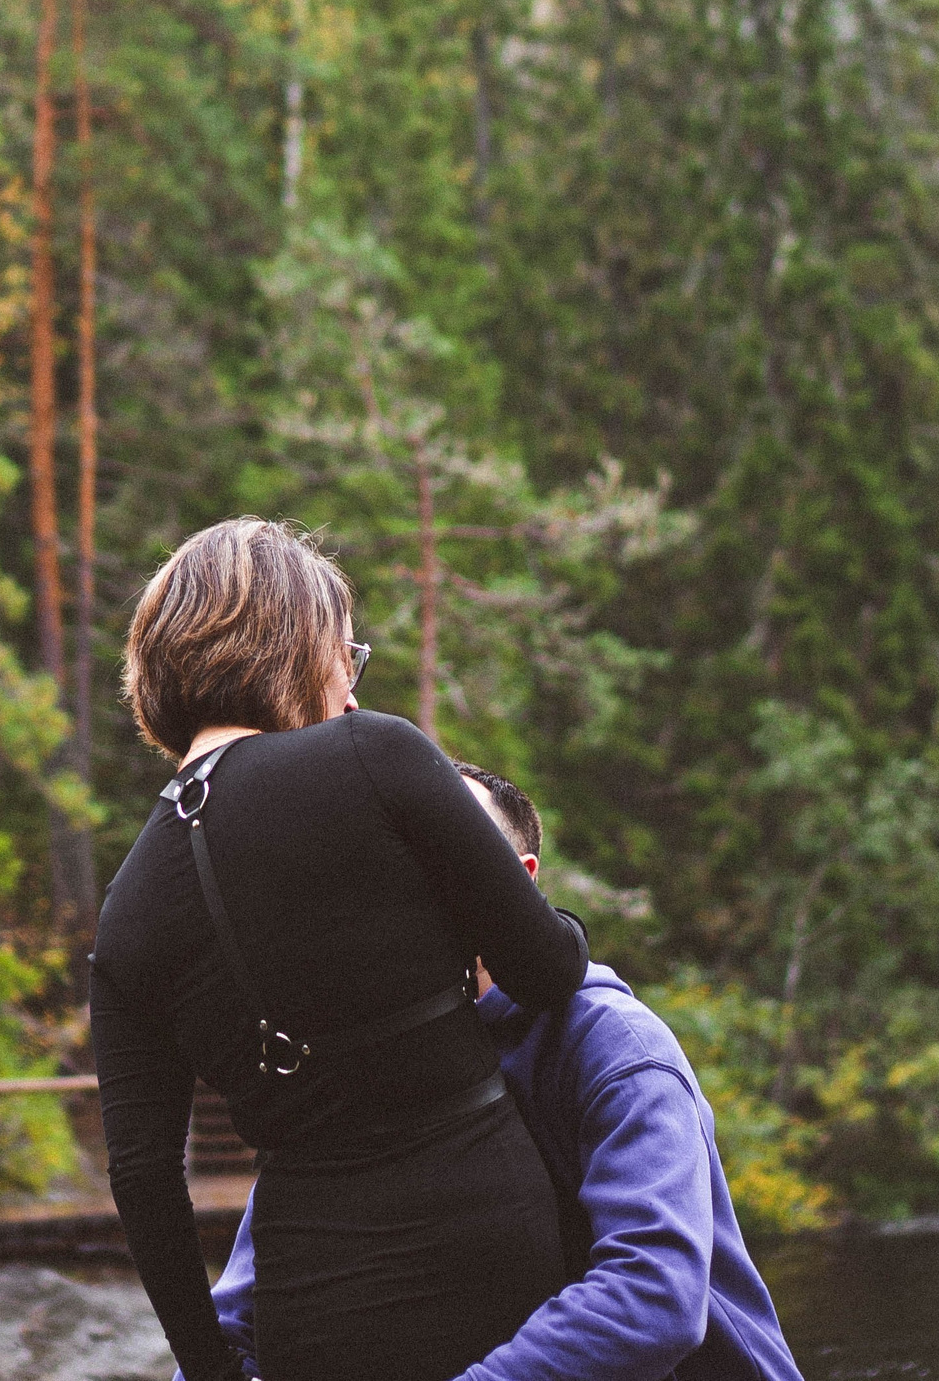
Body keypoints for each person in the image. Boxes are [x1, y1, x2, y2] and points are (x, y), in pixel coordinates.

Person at [91, 519, 590, 1381]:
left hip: (310, 1304)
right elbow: (548, 972)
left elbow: (142, 1179)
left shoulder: (125, 911)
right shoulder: (375, 755)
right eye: (343, 654)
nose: (350, 689)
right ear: (292, 642)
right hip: (488, 1244)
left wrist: (210, 1367)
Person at [199, 764, 807, 1381]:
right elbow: (241, 1314)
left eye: (435, 861)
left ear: (515, 884)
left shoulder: (614, 1045)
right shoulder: (360, 1061)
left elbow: (655, 1293)